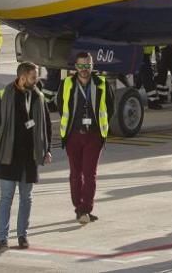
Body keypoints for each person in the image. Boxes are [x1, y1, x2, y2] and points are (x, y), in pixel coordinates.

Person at [0, 62, 52, 251]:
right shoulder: (4, 96)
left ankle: (22, 236)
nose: (36, 80)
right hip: (9, 154)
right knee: (6, 197)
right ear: (22, 77)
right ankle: (2, 238)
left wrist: (47, 149)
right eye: (33, 77)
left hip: (30, 156)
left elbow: (47, 125)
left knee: (26, 198)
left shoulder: (38, 96)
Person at [59, 52, 114, 224]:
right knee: (75, 174)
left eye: (87, 66)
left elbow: (110, 108)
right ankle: (79, 207)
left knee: (90, 174)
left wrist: (100, 129)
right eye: (81, 66)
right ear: (76, 67)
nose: (84, 70)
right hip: (73, 135)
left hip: (94, 136)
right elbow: (61, 106)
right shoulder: (67, 84)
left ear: (92, 66)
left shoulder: (102, 84)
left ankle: (86, 208)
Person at [138, 46, 162, 110]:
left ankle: (153, 100)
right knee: (147, 78)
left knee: (145, 77)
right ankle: (152, 101)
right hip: (141, 54)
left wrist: (157, 51)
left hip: (145, 55)